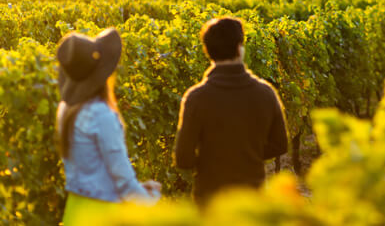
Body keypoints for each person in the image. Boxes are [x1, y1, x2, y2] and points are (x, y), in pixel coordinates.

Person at [174, 17, 288, 207]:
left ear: (207, 51)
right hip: (252, 199)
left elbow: (183, 159)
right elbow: (280, 145)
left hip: (210, 202)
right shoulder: (266, 93)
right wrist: (248, 153)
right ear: (239, 48)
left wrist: (213, 160)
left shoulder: (196, 97)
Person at [55, 28, 160, 224]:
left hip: (76, 210)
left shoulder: (65, 109)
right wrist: (152, 199)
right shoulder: (100, 114)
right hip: (104, 214)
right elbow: (124, 183)